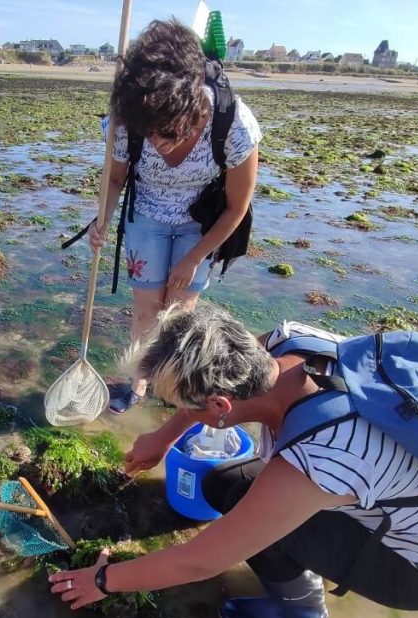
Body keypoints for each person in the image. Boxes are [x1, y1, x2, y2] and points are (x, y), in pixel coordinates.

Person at [49, 305, 418, 618]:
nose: (176, 413)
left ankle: (301, 616)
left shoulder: (317, 458)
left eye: (177, 406)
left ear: (220, 407)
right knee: (227, 483)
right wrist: (163, 437)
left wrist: (103, 581)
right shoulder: (291, 343)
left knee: (250, 510)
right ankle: (306, 565)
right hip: (413, 510)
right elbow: (212, 391)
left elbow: (202, 560)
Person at [87, 19, 263, 414]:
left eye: (165, 133)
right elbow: (115, 180)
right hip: (146, 214)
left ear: (192, 110)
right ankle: (139, 385)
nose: (154, 142)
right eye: (146, 132)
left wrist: (193, 258)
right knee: (148, 311)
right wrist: (102, 220)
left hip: (202, 225)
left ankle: (174, 385)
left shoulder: (233, 125)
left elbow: (237, 207)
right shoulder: (126, 122)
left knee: (180, 312)